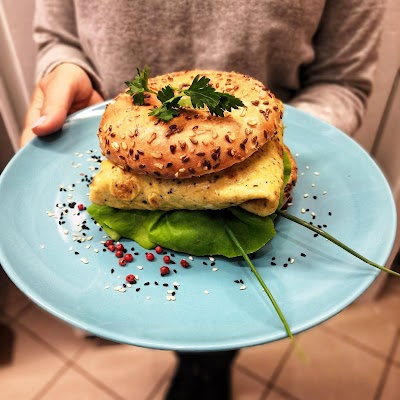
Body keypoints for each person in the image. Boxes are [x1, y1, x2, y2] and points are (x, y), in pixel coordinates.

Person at [21, 1, 386, 399]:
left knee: (235, 316)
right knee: (168, 317)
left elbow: (342, 80)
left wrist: (301, 131)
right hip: (121, 139)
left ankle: (214, 367)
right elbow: (59, 39)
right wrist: (64, 69)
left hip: (260, 148)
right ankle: (189, 363)